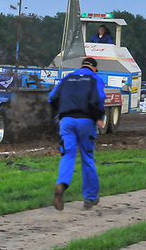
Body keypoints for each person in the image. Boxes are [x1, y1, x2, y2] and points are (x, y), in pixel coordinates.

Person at [49, 57, 106, 211]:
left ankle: (61, 184)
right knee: (87, 158)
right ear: (94, 68)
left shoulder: (68, 77)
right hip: (86, 121)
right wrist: (100, 117)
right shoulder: (95, 78)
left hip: (66, 122)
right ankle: (90, 197)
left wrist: (61, 114)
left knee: (67, 155)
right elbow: (99, 98)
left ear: (81, 66)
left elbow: (53, 97)